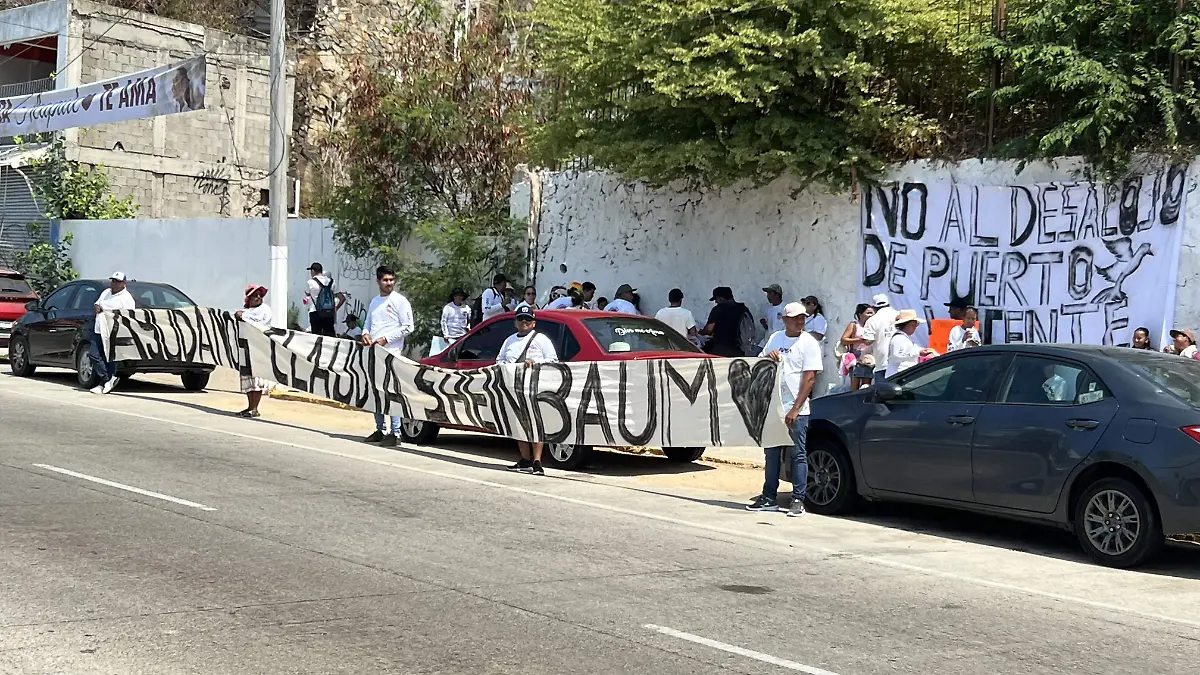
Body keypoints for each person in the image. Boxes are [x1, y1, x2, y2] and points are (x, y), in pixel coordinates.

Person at [747, 302, 823, 516]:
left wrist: (796, 408)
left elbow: (810, 379)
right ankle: (768, 496)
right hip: (773, 406)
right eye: (795, 318)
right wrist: (767, 358)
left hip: (795, 408)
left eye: (802, 318)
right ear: (785, 319)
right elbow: (760, 364)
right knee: (771, 453)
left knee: (798, 454)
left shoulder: (809, 343)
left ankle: (798, 499)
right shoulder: (776, 338)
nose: (800, 321)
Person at [498, 306, 560, 475]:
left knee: (535, 423)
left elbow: (553, 361)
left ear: (533, 322)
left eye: (527, 319)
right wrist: (511, 367)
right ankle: (525, 459)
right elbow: (499, 360)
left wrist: (535, 364)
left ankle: (537, 461)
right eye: (520, 319)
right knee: (518, 423)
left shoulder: (542, 340)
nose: (523, 322)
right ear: (515, 322)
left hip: (535, 387)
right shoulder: (509, 340)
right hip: (514, 386)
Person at [362, 266, 415, 447]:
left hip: (391, 354)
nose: (389, 283)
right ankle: (380, 429)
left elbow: (408, 327)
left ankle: (396, 432)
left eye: (391, 280)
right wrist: (365, 333)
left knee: (391, 393)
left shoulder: (400, 301)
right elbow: (368, 322)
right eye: (385, 280)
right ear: (378, 281)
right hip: (374, 353)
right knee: (376, 392)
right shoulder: (375, 301)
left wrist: (386, 339)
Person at [88, 271, 137, 394]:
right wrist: (96, 306)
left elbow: (129, 316)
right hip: (99, 329)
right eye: (113, 280)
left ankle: (103, 383)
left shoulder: (126, 298)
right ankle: (107, 379)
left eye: (117, 281)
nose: (113, 283)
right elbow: (97, 303)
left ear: (124, 284)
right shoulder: (105, 293)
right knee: (93, 355)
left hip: (112, 331)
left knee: (108, 358)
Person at [234, 284, 272, 418]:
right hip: (246, 347)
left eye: (259, 295)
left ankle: (255, 408)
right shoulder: (245, 311)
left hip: (259, 347)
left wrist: (243, 316)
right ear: (248, 298)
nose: (258, 298)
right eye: (254, 295)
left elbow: (260, 322)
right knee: (248, 378)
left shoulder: (265, 310)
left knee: (257, 379)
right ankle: (250, 406)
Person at [700, 286, 753, 357]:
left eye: (716, 299)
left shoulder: (718, 309)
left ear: (721, 298)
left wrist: (700, 332)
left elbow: (709, 330)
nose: (716, 302)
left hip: (721, 349)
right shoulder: (744, 309)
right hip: (740, 350)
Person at [861, 293, 900, 384]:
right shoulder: (899, 315)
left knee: (883, 395)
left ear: (873, 307)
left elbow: (868, 341)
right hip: (900, 364)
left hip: (883, 363)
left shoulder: (872, 320)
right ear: (888, 304)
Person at [887, 309, 936, 377]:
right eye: (913, 325)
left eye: (916, 325)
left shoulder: (904, 338)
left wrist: (924, 351)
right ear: (906, 324)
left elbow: (914, 349)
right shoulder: (898, 338)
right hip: (897, 375)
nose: (915, 327)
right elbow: (897, 355)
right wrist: (918, 353)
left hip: (902, 374)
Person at [839, 303, 875, 390]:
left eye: (872, 313)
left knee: (867, 384)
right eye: (868, 313)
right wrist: (859, 340)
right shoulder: (854, 325)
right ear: (860, 314)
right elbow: (844, 340)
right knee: (855, 383)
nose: (870, 315)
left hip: (869, 357)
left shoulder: (872, 325)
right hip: (857, 357)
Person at [305, 262, 346, 337]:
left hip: (315, 312)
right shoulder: (332, 282)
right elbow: (342, 298)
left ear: (313, 271)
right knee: (330, 337)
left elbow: (307, 293)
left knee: (316, 337)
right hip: (329, 313)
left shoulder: (310, 282)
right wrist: (335, 309)